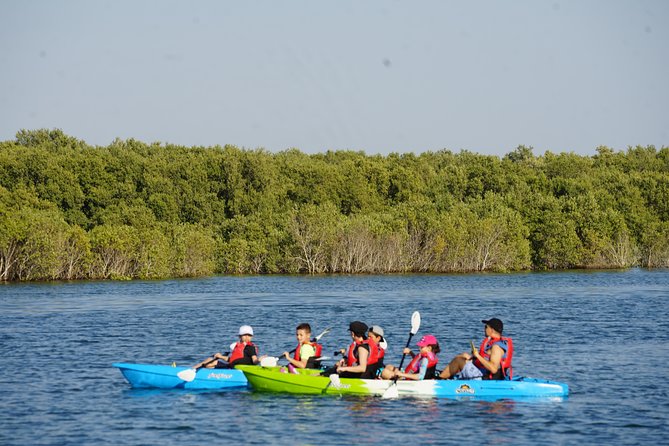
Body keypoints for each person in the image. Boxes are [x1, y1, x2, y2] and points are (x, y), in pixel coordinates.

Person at [439, 318, 513, 380]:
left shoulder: (496, 347)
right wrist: (474, 357)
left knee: (458, 361)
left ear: (492, 330)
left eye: (486, 327)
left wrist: (478, 356)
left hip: (485, 376)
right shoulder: (494, 342)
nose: (484, 329)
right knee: (464, 355)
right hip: (484, 371)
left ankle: (439, 380)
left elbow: (493, 369)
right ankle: (446, 375)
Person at [192, 325, 260, 369]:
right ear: (240, 336)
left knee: (210, 362)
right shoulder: (238, 346)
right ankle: (193, 369)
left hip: (237, 370)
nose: (247, 337)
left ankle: (193, 371)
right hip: (232, 367)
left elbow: (254, 361)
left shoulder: (250, 347)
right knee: (210, 361)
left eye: (249, 335)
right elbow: (232, 359)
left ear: (252, 337)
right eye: (244, 335)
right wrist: (221, 357)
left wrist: (258, 360)